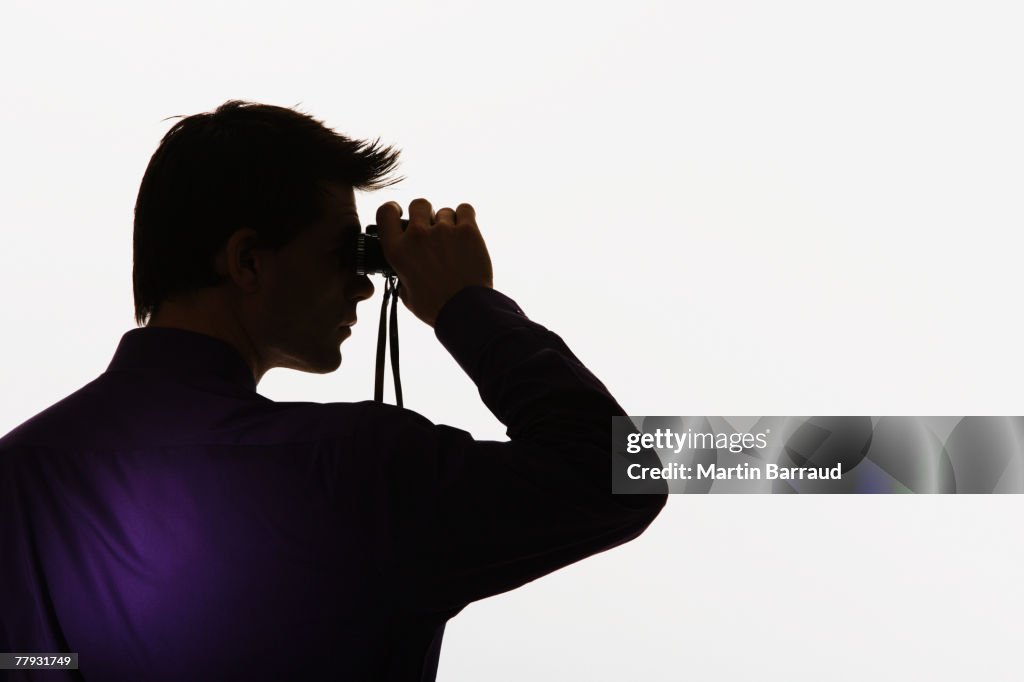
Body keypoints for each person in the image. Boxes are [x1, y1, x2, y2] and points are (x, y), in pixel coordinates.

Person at [0, 100, 667, 681]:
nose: (364, 283)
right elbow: (614, 472)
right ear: (248, 262)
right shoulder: (355, 467)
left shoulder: (21, 471)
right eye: (347, 254)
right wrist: (466, 305)